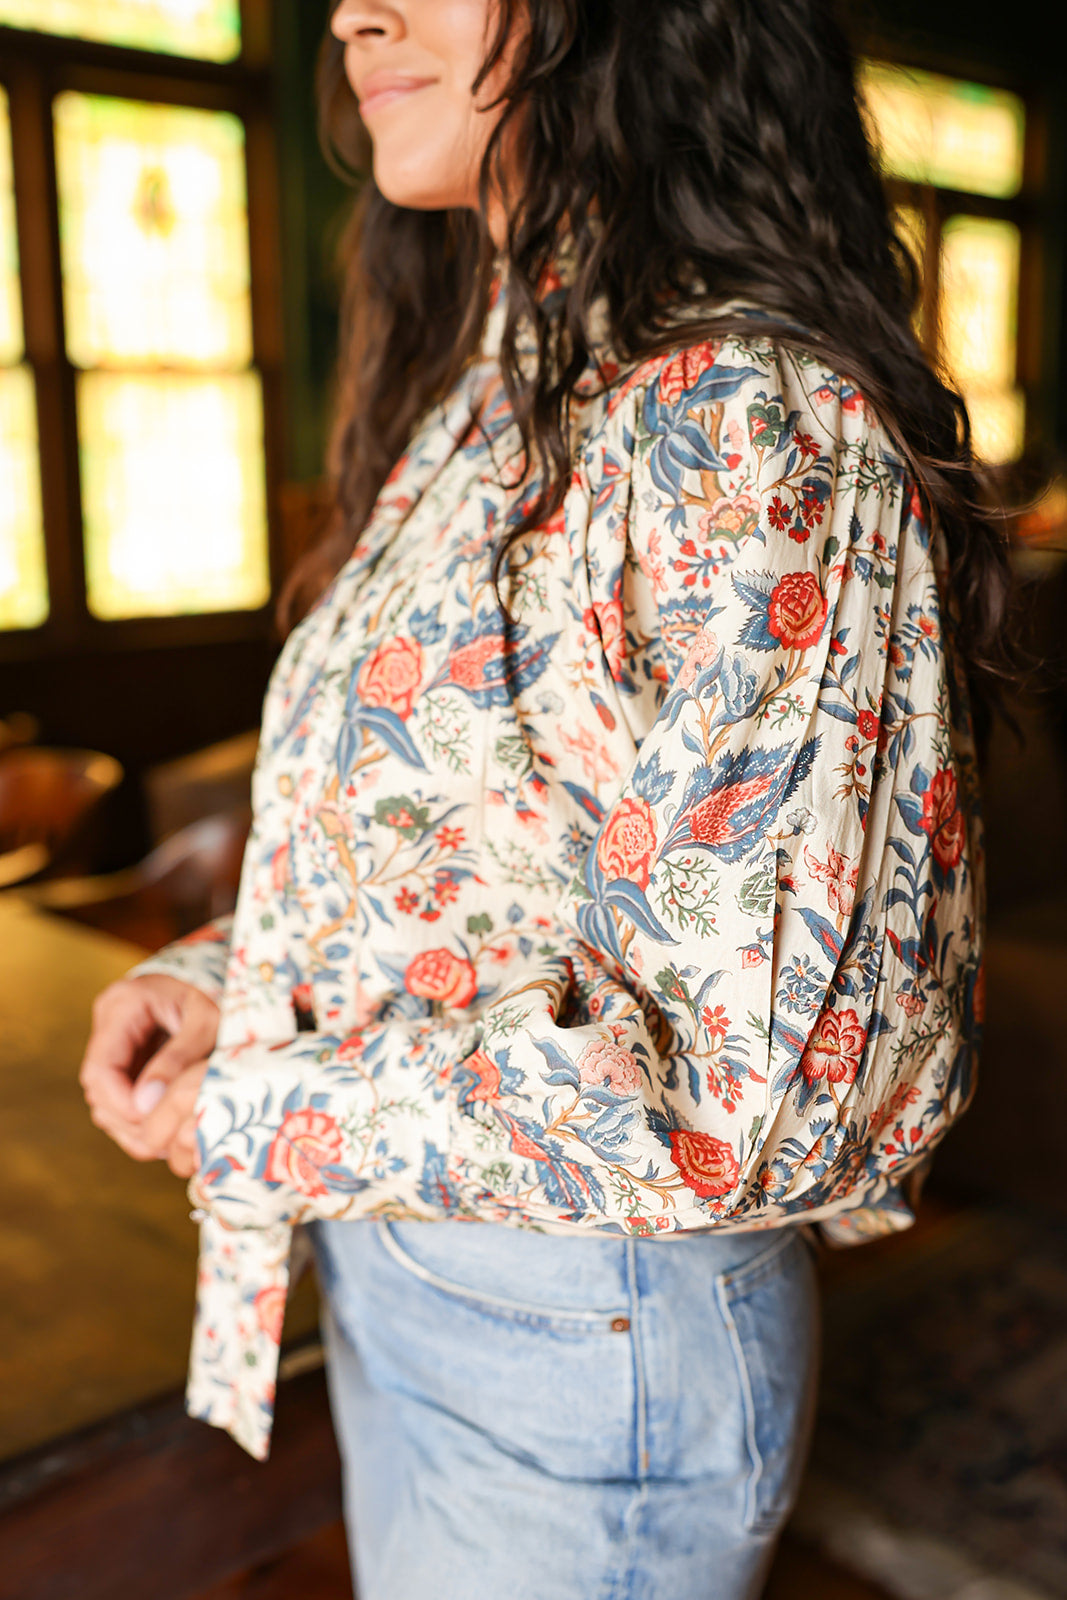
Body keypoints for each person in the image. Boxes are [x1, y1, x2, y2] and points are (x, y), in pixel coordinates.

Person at [80, 2, 1008, 1595]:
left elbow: (744, 1107)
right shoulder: (507, 378)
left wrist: (275, 1104)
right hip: (435, 1279)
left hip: (586, 1346)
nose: (355, 13)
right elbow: (483, 850)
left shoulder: (741, 420)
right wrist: (225, 978)